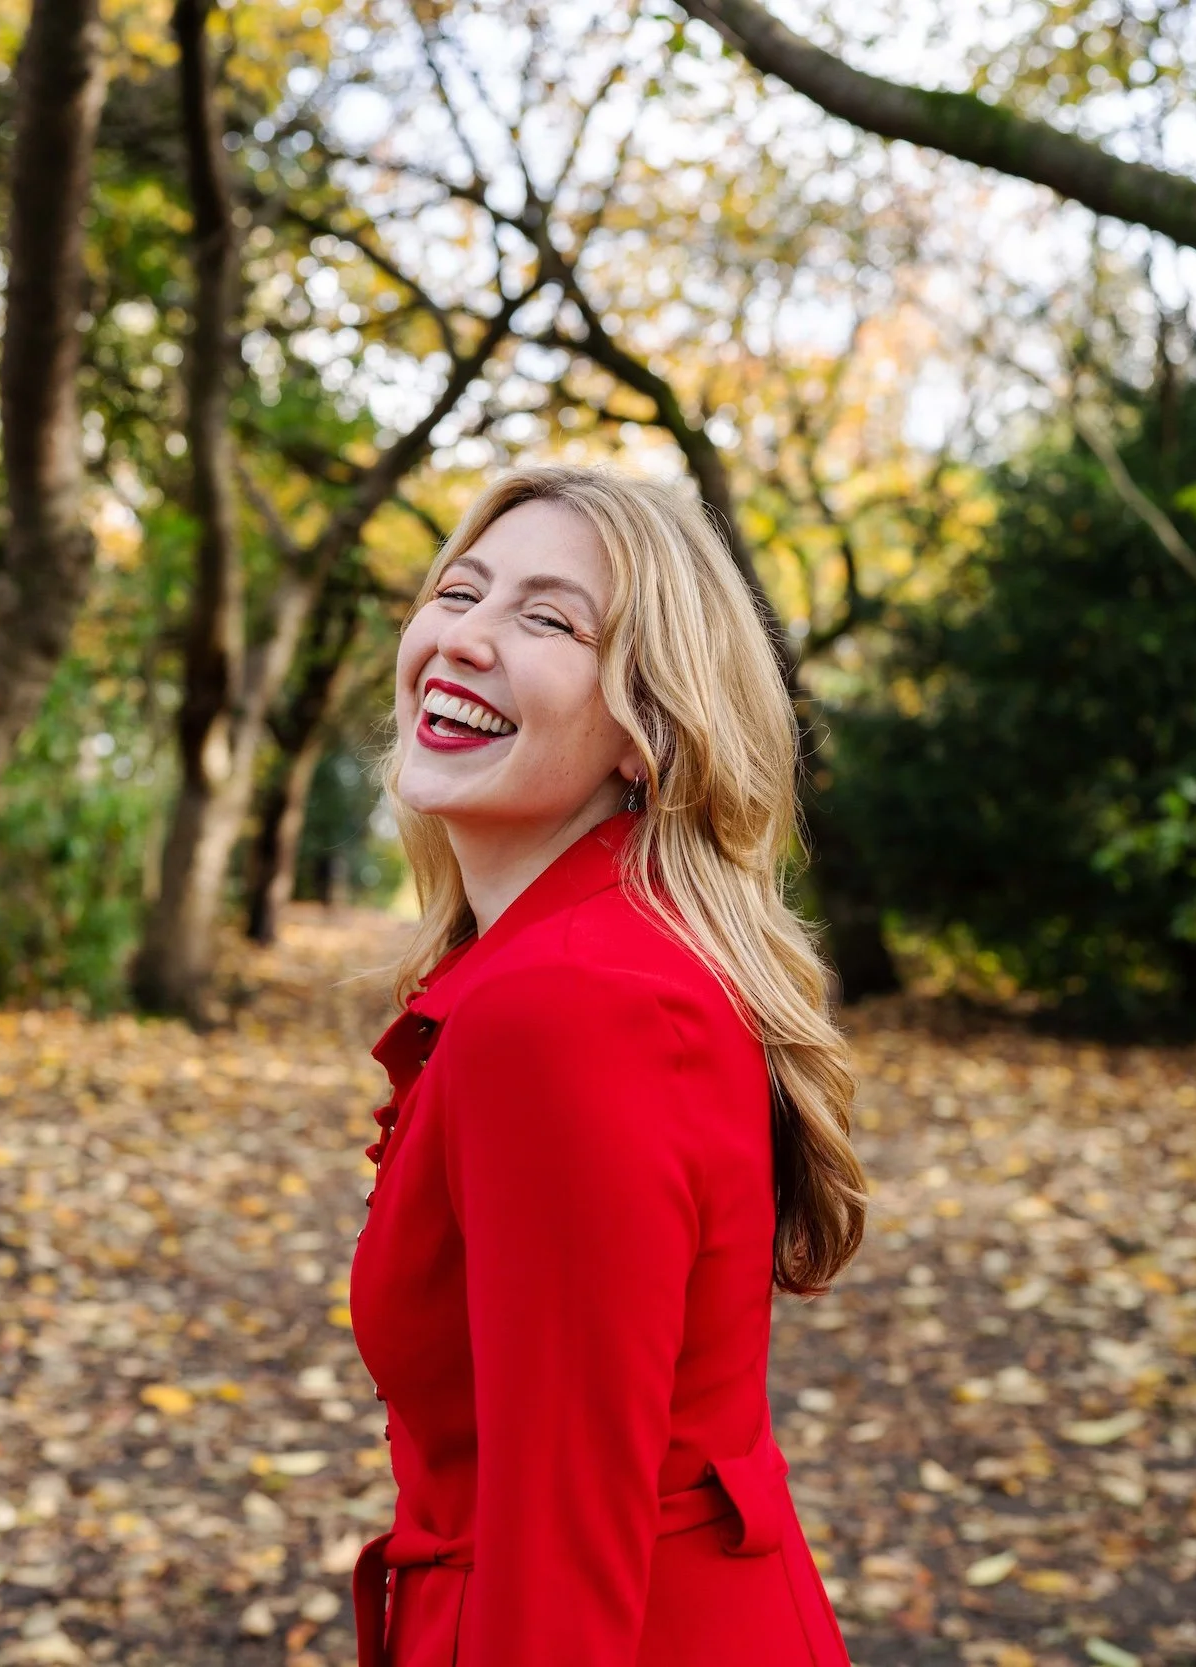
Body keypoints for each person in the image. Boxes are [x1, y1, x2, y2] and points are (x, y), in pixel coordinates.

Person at [348, 465, 865, 1666]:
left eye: (545, 618)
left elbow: (567, 1534)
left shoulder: (566, 1004)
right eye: (458, 591)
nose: (463, 638)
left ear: (647, 730)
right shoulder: (599, 957)